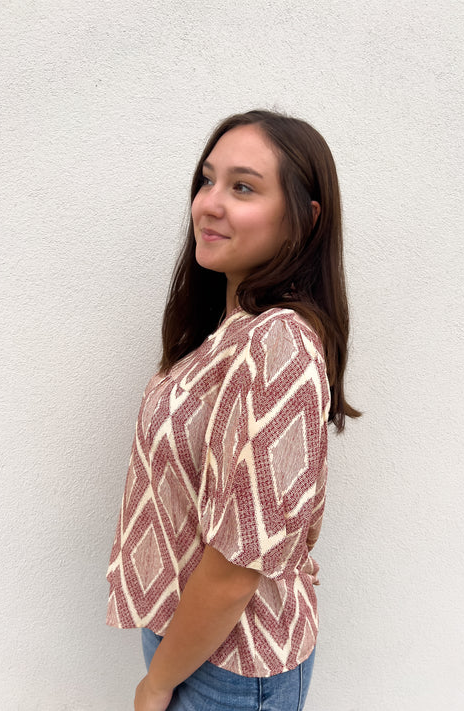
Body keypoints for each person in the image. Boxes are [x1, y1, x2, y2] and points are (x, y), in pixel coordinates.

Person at [106, 109, 360, 711]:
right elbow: (270, 502)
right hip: (197, 639)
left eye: (243, 186)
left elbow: (235, 566)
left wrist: (157, 683)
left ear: (305, 219)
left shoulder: (278, 342)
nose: (208, 203)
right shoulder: (228, 332)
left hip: (230, 665)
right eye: (207, 179)